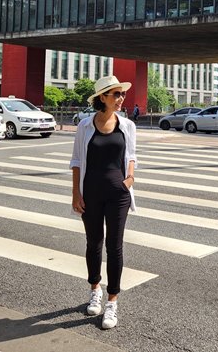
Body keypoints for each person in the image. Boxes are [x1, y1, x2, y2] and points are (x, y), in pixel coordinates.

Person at [71, 75, 137, 330]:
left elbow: (131, 155)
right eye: (116, 94)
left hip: (118, 194)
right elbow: (76, 161)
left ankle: (112, 301)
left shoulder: (127, 125)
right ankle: (95, 289)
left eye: (122, 94)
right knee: (94, 242)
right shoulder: (85, 126)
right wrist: (76, 194)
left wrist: (129, 179)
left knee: (115, 246)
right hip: (91, 192)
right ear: (102, 97)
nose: (121, 99)